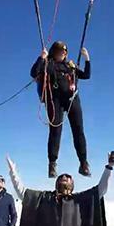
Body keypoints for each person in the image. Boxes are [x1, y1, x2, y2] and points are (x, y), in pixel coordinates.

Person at [31, 41, 92, 178]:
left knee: (78, 131)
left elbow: (87, 76)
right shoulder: (48, 64)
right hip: (55, 101)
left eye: (65, 50)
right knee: (55, 131)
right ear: (54, 51)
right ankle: (52, 164)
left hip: (72, 100)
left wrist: (87, 59)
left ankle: (83, 163)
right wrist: (41, 58)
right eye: (60, 50)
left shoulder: (70, 66)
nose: (63, 52)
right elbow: (34, 72)